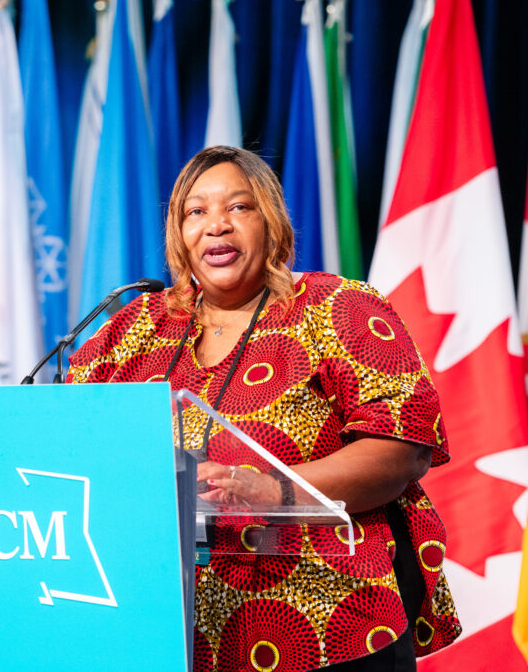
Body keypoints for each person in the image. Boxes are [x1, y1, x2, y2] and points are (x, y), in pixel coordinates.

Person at [68, 147, 461, 671]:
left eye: (238, 207)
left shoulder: (335, 308)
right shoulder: (136, 326)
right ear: (179, 235)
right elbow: (69, 440)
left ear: (271, 223)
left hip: (327, 626)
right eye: (196, 211)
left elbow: (402, 449)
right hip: (165, 628)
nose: (216, 226)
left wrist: (273, 489)